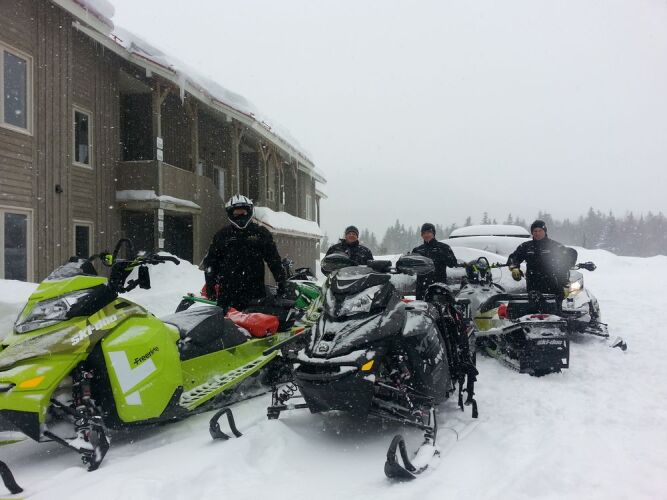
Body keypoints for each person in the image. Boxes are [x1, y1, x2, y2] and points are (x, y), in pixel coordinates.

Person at [203, 195, 286, 310]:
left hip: (255, 294)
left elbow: (274, 260)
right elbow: (211, 262)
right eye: (236, 214)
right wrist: (210, 285)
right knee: (225, 321)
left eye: (243, 213)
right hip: (227, 295)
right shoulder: (222, 235)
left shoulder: (261, 233)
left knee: (256, 321)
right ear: (230, 214)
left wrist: (281, 282)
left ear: (249, 212)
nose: (240, 216)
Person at [507, 219, 577, 299]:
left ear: (545, 231)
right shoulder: (526, 247)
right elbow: (513, 258)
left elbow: (567, 261)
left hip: (554, 286)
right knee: (533, 306)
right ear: (532, 233)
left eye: (540, 231)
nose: (537, 233)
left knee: (554, 306)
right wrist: (514, 268)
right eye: (535, 231)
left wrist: (565, 285)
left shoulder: (555, 246)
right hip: (533, 286)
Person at [411, 223, 458, 300]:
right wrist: (401, 263)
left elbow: (452, 263)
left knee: (439, 306)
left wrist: (443, 254)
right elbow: (411, 267)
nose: (426, 235)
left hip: (439, 287)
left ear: (433, 233)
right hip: (421, 288)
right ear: (421, 235)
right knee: (421, 307)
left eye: (429, 232)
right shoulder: (418, 250)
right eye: (424, 233)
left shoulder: (443, 247)